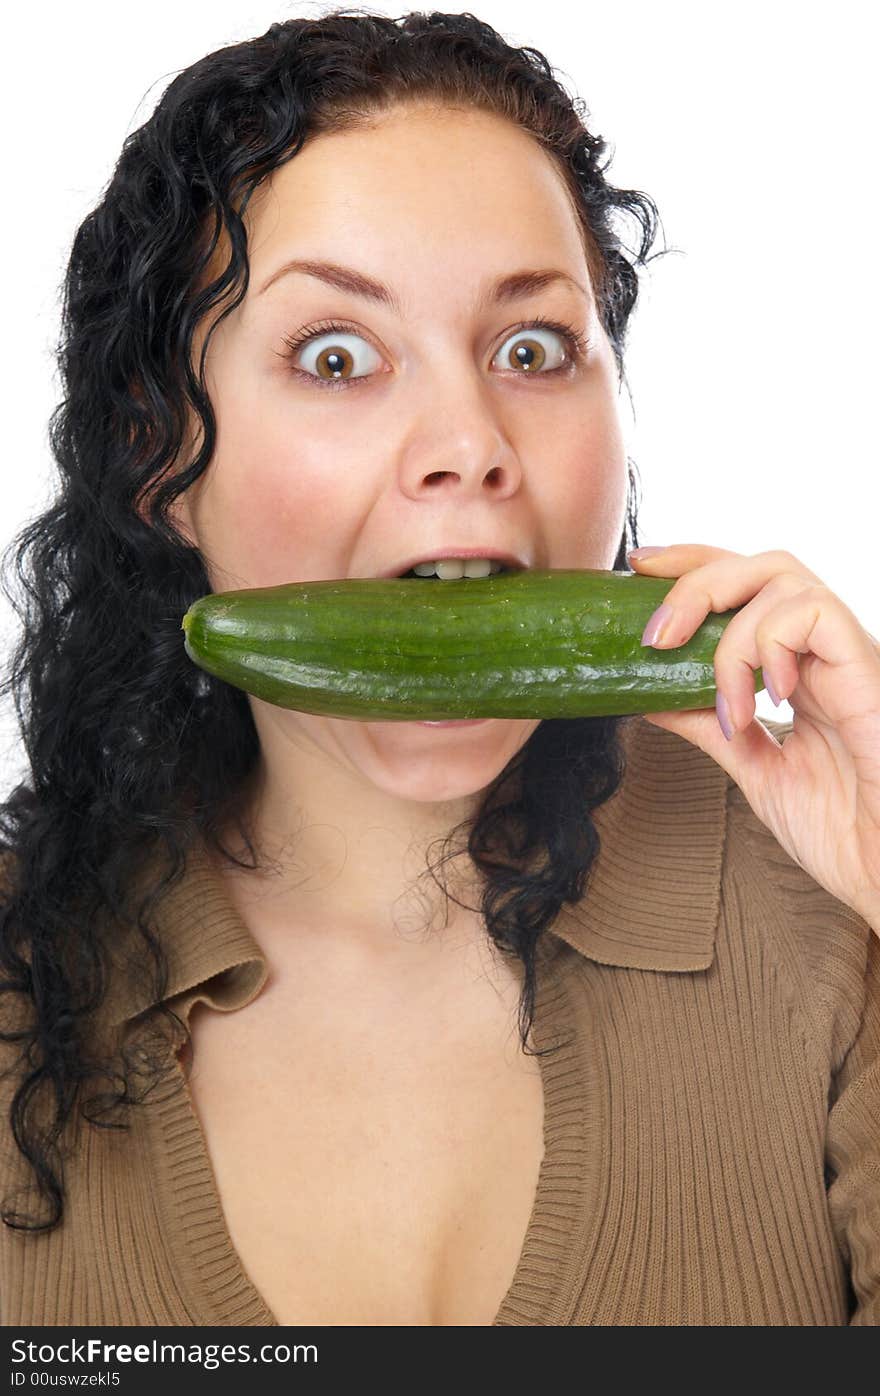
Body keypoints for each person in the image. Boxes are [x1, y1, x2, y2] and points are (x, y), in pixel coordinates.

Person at [1, 8, 878, 1328]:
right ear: (163, 458)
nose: (468, 441)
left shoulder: (829, 922)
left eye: (533, 348)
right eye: (336, 356)